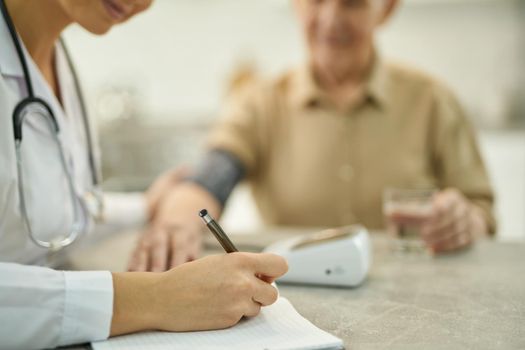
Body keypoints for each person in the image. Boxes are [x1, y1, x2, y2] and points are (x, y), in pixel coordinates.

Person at [0, 0, 287, 349]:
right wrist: (158, 298)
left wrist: (146, 207)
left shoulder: (54, 58)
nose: (141, 3)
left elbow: (43, 214)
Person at [129, 0, 496, 272]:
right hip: (297, 303)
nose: (331, 18)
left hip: (419, 301)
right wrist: (177, 222)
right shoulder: (259, 102)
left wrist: (466, 221)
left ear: (387, 9)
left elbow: (482, 212)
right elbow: (211, 177)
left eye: (352, 2)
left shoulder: (433, 100)